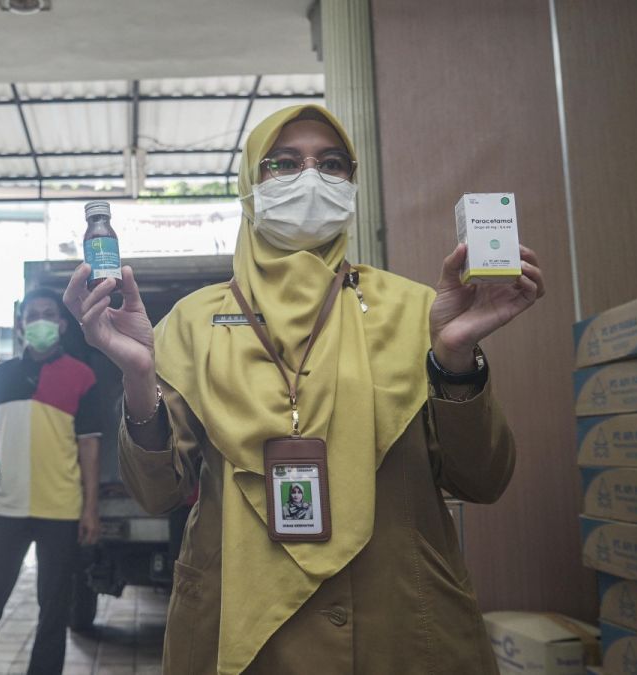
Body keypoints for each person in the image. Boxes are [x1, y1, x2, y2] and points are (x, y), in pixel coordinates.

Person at [64, 104, 545, 674]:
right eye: (284, 164)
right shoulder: (192, 324)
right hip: (243, 630)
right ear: (249, 186)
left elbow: (482, 480)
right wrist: (139, 377)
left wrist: (456, 358)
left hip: (399, 631)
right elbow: (158, 495)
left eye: (333, 164)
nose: (312, 177)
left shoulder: (419, 311)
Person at [0, 288, 103, 675]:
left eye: (47, 313)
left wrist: (90, 509)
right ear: (21, 326)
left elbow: (89, 448)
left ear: (61, 324)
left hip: (61, 509)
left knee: (53, 611)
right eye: (31, 314)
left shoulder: (81, 376)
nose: (39, 320)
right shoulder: (3, 376)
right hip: (6, 508)